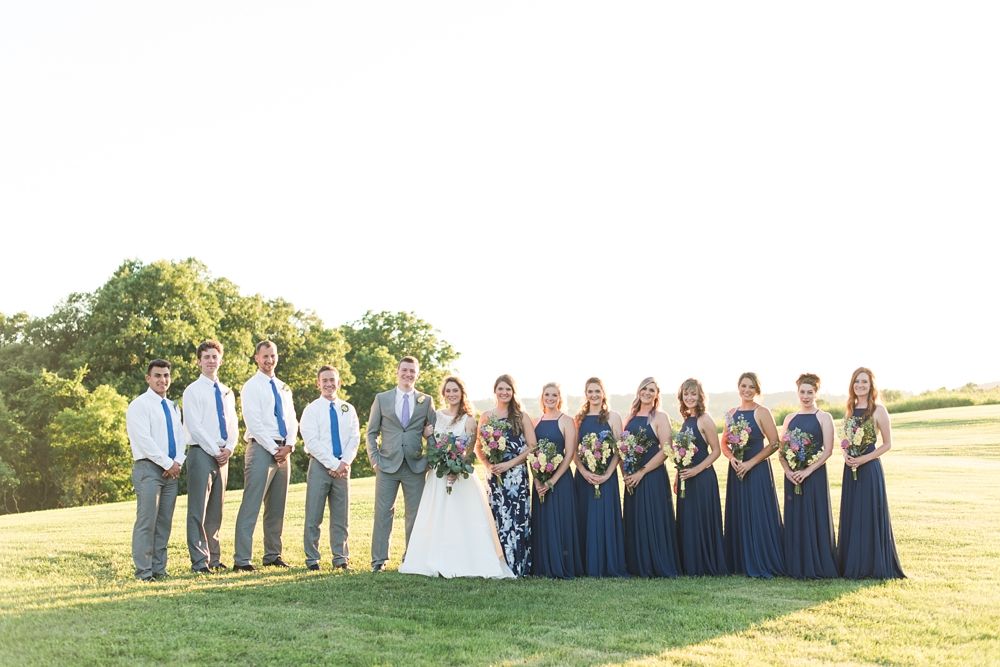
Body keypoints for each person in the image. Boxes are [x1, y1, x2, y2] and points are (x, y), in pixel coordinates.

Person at [400, 376, 514, 578]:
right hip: (437, 476)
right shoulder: (435, 416)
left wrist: (455, 469)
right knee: (437, 517)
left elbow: (469, 452)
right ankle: (435, 558)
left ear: (462, 394)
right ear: (443, 394)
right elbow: (432, 444)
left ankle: (465, 560)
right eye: (448, 391)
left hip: (460, 477)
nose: (452, 394)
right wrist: (426, 434)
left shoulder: (468, 420)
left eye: (455, 391)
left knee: (462, 519)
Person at [366, 356, 436, 572]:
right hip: (386, 465)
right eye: (404, 370)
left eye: (412, 371)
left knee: (414, 514)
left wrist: (429, 459)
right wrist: (375, 459)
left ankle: (411, 558)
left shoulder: (426, 400)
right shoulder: (382, 398)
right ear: (397, 372)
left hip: (415, 466)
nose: (408, 374)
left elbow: (433, 433)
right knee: (383, 512)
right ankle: (379, 560)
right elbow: (371, 432)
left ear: (417, 374)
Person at [233, 340, 299, 571]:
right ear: (257, 358)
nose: (269, 360)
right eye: (265, 356)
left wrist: (289, 445)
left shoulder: (284, 387)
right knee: (251, 505)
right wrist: (274, 449)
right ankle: (242, 560)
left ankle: (273, 554)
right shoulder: (251, 386)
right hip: (262, 448)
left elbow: (292, 419)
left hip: (284, 450)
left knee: (277, 507)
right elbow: (254, 422)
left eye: (273, 355)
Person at [838, 367, 906, 578]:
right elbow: (844, 440)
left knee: (868, 513)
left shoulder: (879, 410)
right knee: (853, 513)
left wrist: (863, 459)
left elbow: (887, 444)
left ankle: (871, 564)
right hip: (850, 468)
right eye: (857, 381)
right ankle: (851, 563)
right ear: (852, 385)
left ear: (871, 385)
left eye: (864, 382)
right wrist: (846, 454)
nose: (860, 385)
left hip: (869, 469)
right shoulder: (850, 409)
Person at [126, 359, 186, 581]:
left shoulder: (172, 407)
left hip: (171, 471)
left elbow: (181, 438)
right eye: (158, 375)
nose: (163, 380)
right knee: (147, 521)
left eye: (166, 375)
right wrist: (167, 463)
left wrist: (177, 462)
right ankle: (144, 572)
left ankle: (159, 569)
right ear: (148, 378)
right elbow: (144, 440)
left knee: (164, 523)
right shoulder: (139, 405)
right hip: (149, 469)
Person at [181, 339, 238, 573]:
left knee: (216, 510)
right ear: (199, 362)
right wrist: (215, 451)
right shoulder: (192, 391)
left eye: (215, 357)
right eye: (206, 357)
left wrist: (230, 448)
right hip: (202, 453)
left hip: (223, 455)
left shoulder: (227, 392)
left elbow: (233, 423)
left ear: (220, 360)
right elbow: (194, 426)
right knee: (198, 509)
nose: (211, 361)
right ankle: (199, 561)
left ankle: (214, 558)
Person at [722, 372, 785, 578]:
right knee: (739, 512)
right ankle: (739, 561)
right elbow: (724, 443)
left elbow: (774, 443)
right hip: (737, 470)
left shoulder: (762, 412)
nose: (747, 390)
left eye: (751, 387)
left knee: (758, 514)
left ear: (757, 390)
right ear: (738, 387)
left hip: (757, 470)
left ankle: (762, 559)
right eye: (744, 386)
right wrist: (732, 458)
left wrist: (750, 463)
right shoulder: (731, 413)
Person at [301, 366, 361, 571]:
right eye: (324, 380)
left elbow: (354, 438)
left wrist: (344, 463)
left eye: (332, 380)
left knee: (341, 516)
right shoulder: (312, 410)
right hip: (320, 466)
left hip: (343, 468)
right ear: (318, 383)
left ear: (339, 382)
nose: (328, 384)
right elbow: (312, 442)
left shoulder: (348, 409)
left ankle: (340, 557)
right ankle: (312, 559)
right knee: (313, 515)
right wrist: (333, 464)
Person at [779, 373, 839, 578]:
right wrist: (789, 472)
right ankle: (795, 564)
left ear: (816, 393)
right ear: (797, 392)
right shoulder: (789, 418)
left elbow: (828, 451)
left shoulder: (824, 417)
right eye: (802, 392)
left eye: (810, 392)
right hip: (793, 477)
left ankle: (817, 562)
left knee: (815, 517)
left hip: (814, 476)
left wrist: (807, 471)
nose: (805, 396)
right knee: (796, 518)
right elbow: (782, 451)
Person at [620, 377, 681, 577]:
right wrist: (626, 474)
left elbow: (666, 450)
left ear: (657, 395)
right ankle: (637, 565)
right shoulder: (629, 417)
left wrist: (642, 472)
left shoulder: (660, 417)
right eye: (644, 389)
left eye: (652, 390)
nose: (647, 393)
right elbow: (622, 449)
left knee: (653, 519)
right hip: (632, 478)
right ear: (639, 391)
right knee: (636, 519)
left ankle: (656, 563)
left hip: (652, 476)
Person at [477, 374, 535, 577]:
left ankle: (518, 565)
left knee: (517, 519)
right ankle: (497, 564)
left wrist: (509, 464)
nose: (504, 392)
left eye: (508, 389)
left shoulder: (521, 417)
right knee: (497, 518)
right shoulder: (487, 416)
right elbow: (479, 446)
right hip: (495, 477)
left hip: (516, 476)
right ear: (495, 391)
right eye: (501, 389)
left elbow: (532, 446)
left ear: (513, 392)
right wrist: (489, 465)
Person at [574, 377, 628, 577]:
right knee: (585, 517)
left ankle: (608, 563)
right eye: (590, 391)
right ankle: (586, 565)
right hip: (584, 478)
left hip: (607, 477)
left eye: (597, 391)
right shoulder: (578, 419)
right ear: (585, 394)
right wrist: (584, 472)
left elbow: (619, 450)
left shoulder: (613, 417)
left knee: (605, 518)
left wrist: (607, 474)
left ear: (603, 393)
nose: (594, 395)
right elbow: (573, 451)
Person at [674, 378, 728, 575]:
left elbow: (716, 451)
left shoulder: (704, 419)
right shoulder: (687, 419)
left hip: (702, 478)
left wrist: (696, 470)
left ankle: (705, 563)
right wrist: (677, 476)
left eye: (693, 394)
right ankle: (690, 563)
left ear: (700, 396)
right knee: (688, 520)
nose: (689, 397)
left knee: (701, 519)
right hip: (685, 478)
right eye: (686, 394)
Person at [530, 382, 582, 578]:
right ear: (542, 397)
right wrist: (537, 480)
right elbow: (532, 453)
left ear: (560, 398)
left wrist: (552, 480)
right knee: (543, 522)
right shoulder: (535, 422)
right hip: (540, 480)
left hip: (561, 481)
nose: (550, 398)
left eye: (554, 395)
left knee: (561, 521)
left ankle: (562, 564)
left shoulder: (567, 421)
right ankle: (543, 565)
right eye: (547, 395)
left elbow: (569, 454)